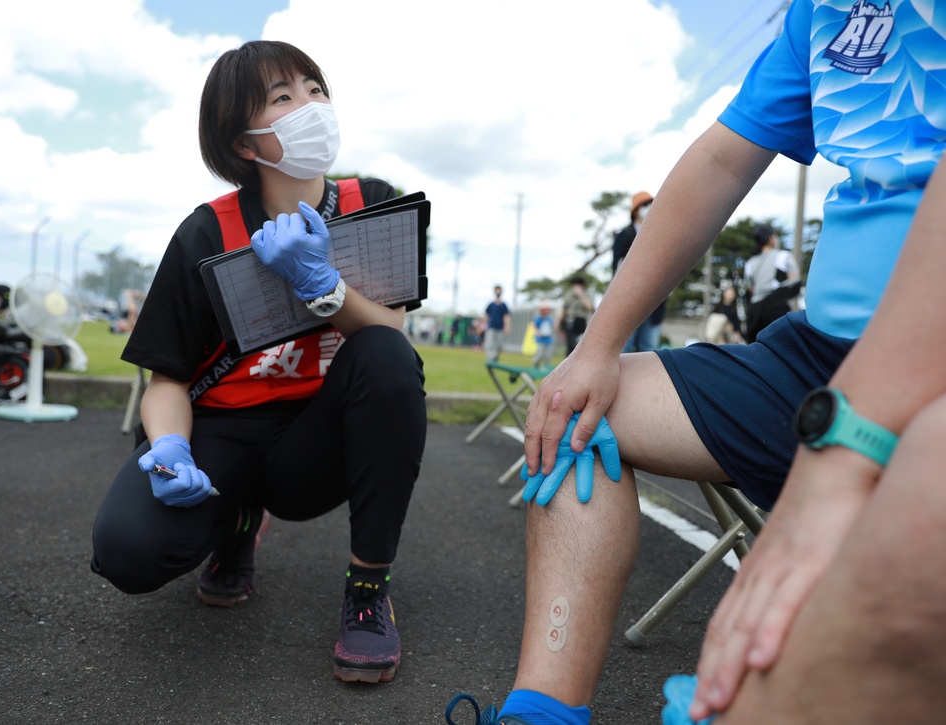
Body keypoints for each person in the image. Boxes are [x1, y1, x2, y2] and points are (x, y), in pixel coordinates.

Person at [444, 1, 946, 723]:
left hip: (925, 366)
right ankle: (541, 711)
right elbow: (720, 159)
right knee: (580, 412)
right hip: (819, 353)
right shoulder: (820, 12)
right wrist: (598, 348)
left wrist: (844, 450)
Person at [90, 40, 427, 686]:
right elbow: (167, 380)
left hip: (316, 438)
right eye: (282, 98)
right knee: (126, 550)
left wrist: (322, 285)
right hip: (222, 435)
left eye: (314, 88)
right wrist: (168, 446)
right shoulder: (206, 231)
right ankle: (236, 524)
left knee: (386, 355)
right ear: (244, 144)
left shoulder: (374, 201)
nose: (310, 107)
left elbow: (391, 336)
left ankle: (367, 587)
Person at [613, 191, 667, 352]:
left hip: (655, 300)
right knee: (625, 347)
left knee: (649, 348)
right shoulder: (624, 235)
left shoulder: (661, 235)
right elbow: (615, 267)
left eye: (651, 204)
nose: (648, 208)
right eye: (644, 205)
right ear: (635, 210)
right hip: (628, 299)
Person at [743, 224, 801, 341]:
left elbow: (750, 289)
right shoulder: (783, 256)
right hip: (775, 310)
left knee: (756, 350)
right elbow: (794, 280)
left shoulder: (750, 263)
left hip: (754, 314)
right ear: (770, 238)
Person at [558, 276, 593, 357]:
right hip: (570, 319)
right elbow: (564, 308)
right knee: (570, 343)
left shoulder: (587, 294)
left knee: (581, 342)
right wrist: (559, 322)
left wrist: (581, 295)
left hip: (581, 320)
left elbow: (590, 307)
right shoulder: (568, 294)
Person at [482, 285, 510, 362]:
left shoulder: (504, 305)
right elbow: (486, 315)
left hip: (500, 328)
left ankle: (495, 357)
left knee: (499, 345)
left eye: (499, 290)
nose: (498, 292)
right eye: (497, 290)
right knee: (490, 343)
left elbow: (506, 316)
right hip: (491, 327)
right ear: (494, 292)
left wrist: (507, 327)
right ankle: (490, 358)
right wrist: (483, 325)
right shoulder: (491, 305)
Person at [531, 304, 555, 369]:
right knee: (540, 353)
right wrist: (538, 332)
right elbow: (535, 326)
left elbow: (552, 327)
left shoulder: (549, 319)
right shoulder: (539, 319)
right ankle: (535, 362)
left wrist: (552, 331)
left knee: (548, 355)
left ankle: (545, 366)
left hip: (548, 339)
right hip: (541, 339)